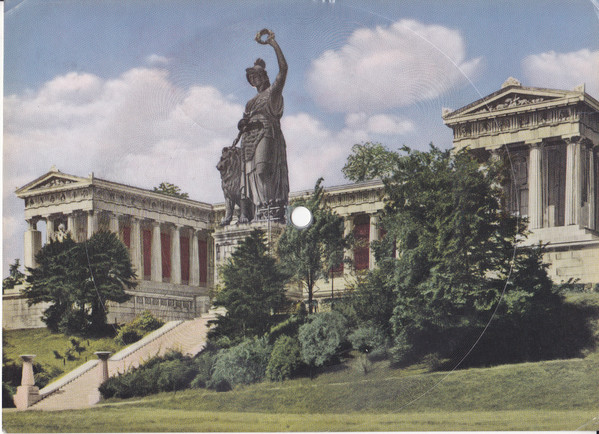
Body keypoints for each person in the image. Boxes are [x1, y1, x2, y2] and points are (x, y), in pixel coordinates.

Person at [238, 29, 290, 223]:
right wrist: (242, 124)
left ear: (264, 76)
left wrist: (273, 43)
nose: (255, 79)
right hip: (248, 139)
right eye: (252, 77)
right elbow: (244, 121)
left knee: (262, 170)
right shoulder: (250, 103)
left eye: (257, 75)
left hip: (267, 132)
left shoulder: (272, 93)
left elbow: (284, 69)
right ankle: (259, 209)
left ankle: (270, 209)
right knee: (249, 175)